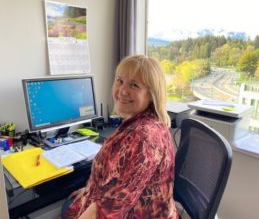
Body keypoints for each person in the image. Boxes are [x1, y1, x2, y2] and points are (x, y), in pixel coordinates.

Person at [62, 55, 179, 219]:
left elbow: (109, 209)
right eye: (120, 81)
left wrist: (91, 199)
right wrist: (91, 190)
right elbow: (119, 181)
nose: (123, 91)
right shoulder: (142, 121)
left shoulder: (143, 138)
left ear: (151, 94)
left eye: (134, 85)